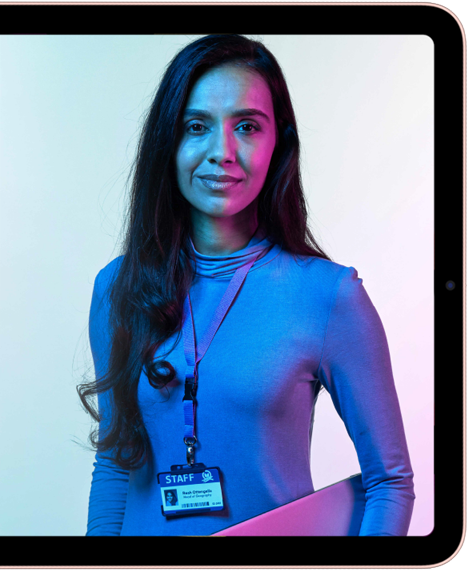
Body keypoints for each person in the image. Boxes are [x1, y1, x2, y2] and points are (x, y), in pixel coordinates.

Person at [78, 34, 415, 536]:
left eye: (247, 127)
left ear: (278, 140)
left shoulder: (329, 296)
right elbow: (115, 468)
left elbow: (390, 482)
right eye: (197, 126)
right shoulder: (117, 289)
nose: (222, 152)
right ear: (168, 143)